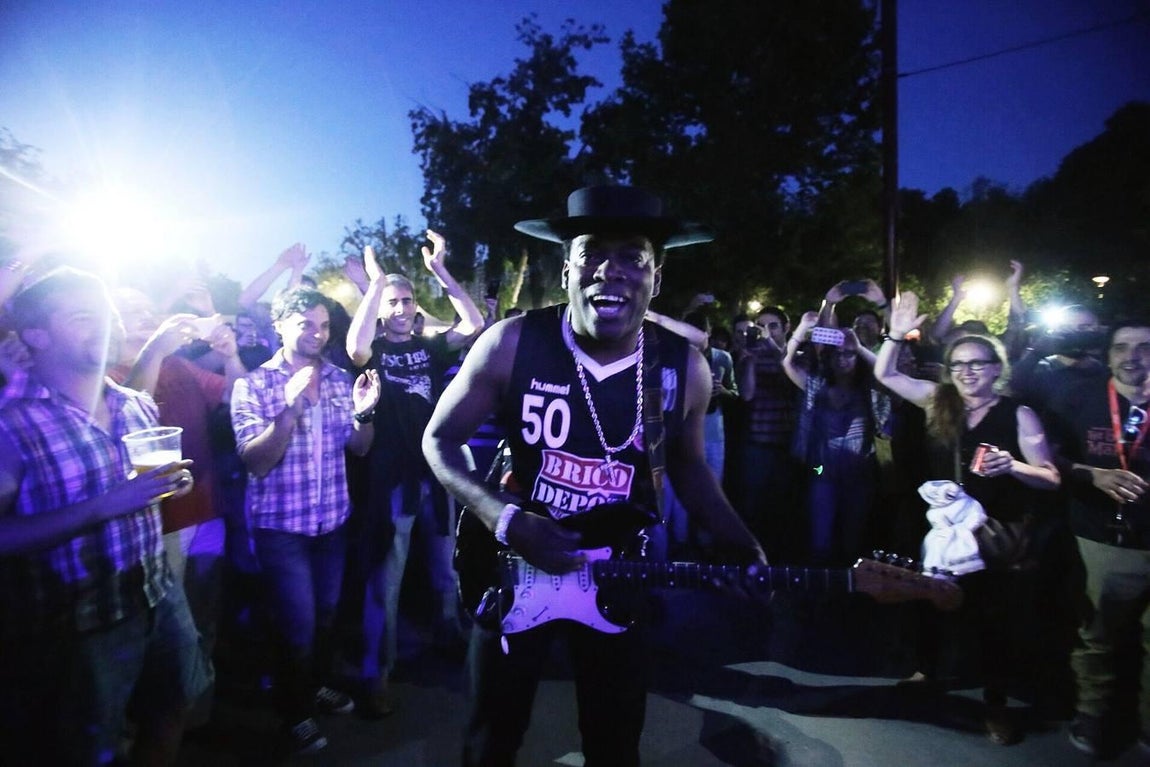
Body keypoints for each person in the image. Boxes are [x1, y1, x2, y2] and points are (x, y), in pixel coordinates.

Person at [422, 185, 767, 767]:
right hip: (513, 572)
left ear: (656, 277)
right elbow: (439, 440)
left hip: (616, 575)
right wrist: (505, 520)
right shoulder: (511, 343)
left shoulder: (684, 367)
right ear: (566, 271)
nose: (611, 271)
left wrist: (738, 538)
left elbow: (686, 465)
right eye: (591, 254)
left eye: (633, 256)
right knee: (491, 740)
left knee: (614, 741)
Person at [0, 266, 207, 766]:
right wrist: (100, 506)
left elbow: (150, 492)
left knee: (174, 703)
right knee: (87, 746)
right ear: (35, 334)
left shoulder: (136, 404)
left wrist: (172, 485)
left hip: (158, 591)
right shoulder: (12, 424)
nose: (108, 326)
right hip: (78, 622)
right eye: (82, 318)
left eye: (107, 315)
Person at [874, 290, 1060, 746]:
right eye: (958, 365)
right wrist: (896, 335)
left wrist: (1013, 466)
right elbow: (884, 372)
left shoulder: (1019, 414)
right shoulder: (939, 400)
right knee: (927, 600)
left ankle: (995, 706)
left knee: (993, 620)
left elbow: (1051, 477)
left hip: (991, 533)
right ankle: (926, 670)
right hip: (940, 530)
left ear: (997, 368)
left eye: (977, 363)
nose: (967, 372)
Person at [230, 286, 381, 754]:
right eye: (305, 325)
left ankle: (314, 686)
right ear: (279, 326)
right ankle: (293, 712)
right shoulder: (253, 385)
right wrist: (290, 409)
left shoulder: (339, 379)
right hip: (282, 529)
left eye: (323, 326)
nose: (317, 334)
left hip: (332, 523)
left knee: (325, 618)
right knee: (296, 625)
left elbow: (360, 447)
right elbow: (255, 462)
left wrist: (365, 413)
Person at [345, 230, 483, 718]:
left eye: (406, 300)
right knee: (387, 577)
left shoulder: (428, 348)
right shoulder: (375, 349)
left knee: (445, 566)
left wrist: (439, 271)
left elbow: (474, 321)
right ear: (380, 309)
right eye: (392, 302)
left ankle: (447, 634)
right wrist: (376, 283)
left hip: (435, 474)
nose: (401, 308)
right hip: (390, 480)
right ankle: (375, 673)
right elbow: (355, 346)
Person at [1045, 318, 1150, 757]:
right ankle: (1093, 713)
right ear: (1107, 356)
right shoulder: (1077, 397)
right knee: (1097, 635)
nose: (1132, 356)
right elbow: (1051, 459)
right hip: (1100, 539)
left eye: (1144, 347)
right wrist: (1094, 475)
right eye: (1122, 347)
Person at [783, 313, 878, 564]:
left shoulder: (870, 390)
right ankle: (820, 592)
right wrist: (802, 327)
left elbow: (884, 372)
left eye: (849, 354)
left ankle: (850, 593)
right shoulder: (817, 385)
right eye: (837, 353)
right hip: (821, 467)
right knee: (820, 537)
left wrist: (858, 346)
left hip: (859, 471)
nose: (843, 359)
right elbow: (788, 364)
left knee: (853, 540)